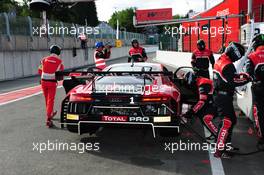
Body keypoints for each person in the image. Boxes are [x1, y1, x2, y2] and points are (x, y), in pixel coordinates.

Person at [213, 42, 251, 158]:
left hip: (221, 95)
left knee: (232, 120)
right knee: (227, 122)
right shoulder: (227, 64)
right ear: (234, 53)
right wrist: (248, 77)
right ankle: (220, 150)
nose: (237, 59)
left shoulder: (221, 59)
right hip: (223, 96)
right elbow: (234, 80)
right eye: (238, 56)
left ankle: (226, 146)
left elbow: (229, 78)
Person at [183, 71, 218, 139]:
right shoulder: (200, 80)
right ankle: (213, 133)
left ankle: (219, 135)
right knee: (199, 113)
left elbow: (202, 101)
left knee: (206, 118)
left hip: (218, 102)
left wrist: (191, 112)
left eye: (191, 85)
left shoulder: (203, 84)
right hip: (213, 100)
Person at [38, 45, 64, 128]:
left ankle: (51, 113)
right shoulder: (59, 61)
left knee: (47, 99)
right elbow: (61, 74)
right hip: (52, 82)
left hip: (43, 81)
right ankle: (49, 118)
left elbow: (39, 70)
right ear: (58, 52)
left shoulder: (44, 59)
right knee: (51, 100)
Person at [246, 34, 264, 149]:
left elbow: (249, 74)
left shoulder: (252, 56)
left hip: (259, 88)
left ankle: (262, 139)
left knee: (259, 113)